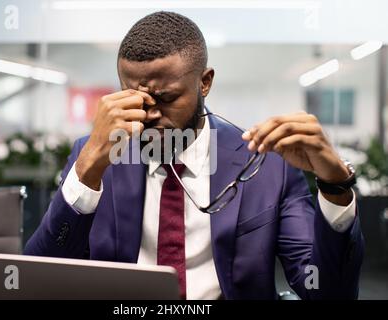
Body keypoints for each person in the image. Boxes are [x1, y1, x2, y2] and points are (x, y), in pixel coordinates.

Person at [24, 11, 363, 300]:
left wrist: (335, 185)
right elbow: (37, 282)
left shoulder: (266, 164)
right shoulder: (97, 155)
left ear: (205, 83)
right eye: (135, 99)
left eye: (166, 98)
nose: (150, 114)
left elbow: (326, 290)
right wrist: (87, 170)